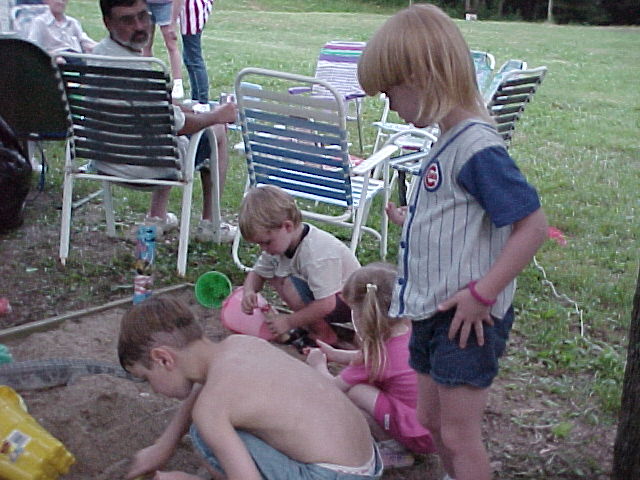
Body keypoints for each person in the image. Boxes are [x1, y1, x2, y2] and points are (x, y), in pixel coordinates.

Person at [357, 4, 549, 480]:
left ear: (422, 76)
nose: (391, 106)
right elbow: (457, 220)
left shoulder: (477, 147)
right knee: (430, 421)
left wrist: (483, 294)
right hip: (430, 309)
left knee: (460, 435)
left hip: (467, 319)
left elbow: (533, 226)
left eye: (390, 92)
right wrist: (411, 221)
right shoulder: (446, 142)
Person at [118, 296, 383, 479]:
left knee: (203, 433)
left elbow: (207, 406)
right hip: (367, 458)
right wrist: (164, 445)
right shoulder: (240, 344)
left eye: (146, 378)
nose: (152, 388)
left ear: (163, 358)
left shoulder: (211, 409)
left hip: (332, 475)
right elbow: (205, 390)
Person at [94, 0, 237, 242]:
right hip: (146, 169)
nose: (140, 26)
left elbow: (153, 111)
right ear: (108, 22)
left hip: (106, 162)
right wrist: (216, 115)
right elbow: (180, 126)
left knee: (157, 133)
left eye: (143, 16)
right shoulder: (142, 71)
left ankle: (156, 217)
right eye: (128, 20)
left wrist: (183, 108)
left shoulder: (96, 57)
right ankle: (210, 226)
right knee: (216, 130)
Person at [306, 262, 436, 469]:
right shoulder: (407, 332)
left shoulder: (378, 354)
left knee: (357, 392)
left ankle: (394, 450)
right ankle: (397, 439)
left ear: (363, 314)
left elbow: (332, 388)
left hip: (417, 433)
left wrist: (318, 365)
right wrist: (334, 355)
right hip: (435, 428)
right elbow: (368, 359)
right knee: (372, 387)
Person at [239, 185, 360, 347]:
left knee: (287, 282)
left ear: (287, 226)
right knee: (276, 275)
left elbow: (327, 304)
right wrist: (249, 291)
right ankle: (315, 326)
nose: (264, 248)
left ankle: (324, 334)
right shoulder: (280, 244)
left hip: (352, 305)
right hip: (327, 300)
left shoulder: (316, 253)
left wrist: (288, 322)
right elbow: (258, 273)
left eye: (266, 242)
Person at [27, 0, 97, 63]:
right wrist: (51, 56)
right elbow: (33, 48)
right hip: (56, 62)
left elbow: (85, 41)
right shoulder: (40, 22)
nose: (60, 2)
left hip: (77, 58)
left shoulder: (72, 22)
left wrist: (99, 47)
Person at [143, 0, 184, 99]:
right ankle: (145, 77)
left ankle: (177, 83)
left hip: (166, 4)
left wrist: (173, 22)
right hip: (145, 4)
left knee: (171, 43)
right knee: (145, 44)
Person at [180, 0, 213, 113]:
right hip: (189, 9)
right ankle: (196, 97)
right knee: (188, 57)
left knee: (194, 58)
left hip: (192, 10)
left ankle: (203, 101)